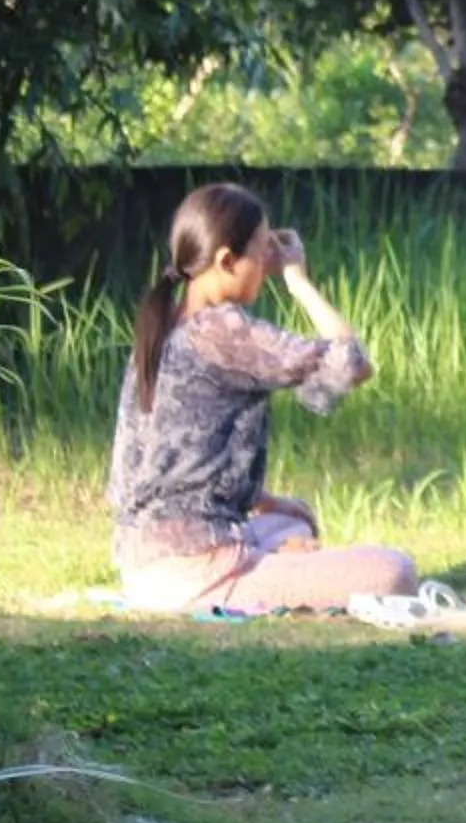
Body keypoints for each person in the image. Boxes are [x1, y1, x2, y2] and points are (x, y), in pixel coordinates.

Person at [107, 182, 420, 615]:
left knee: (295, 519)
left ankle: (276, 569)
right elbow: (352, 363)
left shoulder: (164, 327)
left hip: (142, 563)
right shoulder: (221, 330)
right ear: (227, 261)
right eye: (262, 249)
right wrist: (297, 280)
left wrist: (268, 502)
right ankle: (271, 577)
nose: (268, 262)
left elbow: (169, 468)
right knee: (394, 571)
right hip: (197, 571)